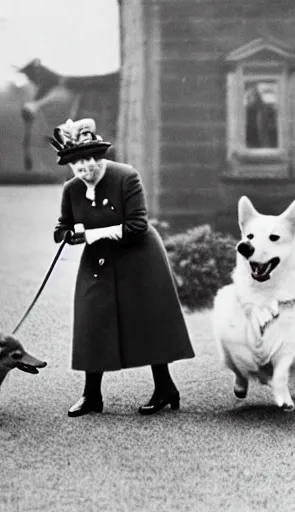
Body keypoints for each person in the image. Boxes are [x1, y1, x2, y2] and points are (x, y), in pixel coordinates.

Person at [49, 118, 195, 417]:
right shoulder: (71, 189)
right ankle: (92, 396)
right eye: (77, 162)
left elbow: (137, 226)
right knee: (92, 319)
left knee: (146, 322)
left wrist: (89, 235)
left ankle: (165, 388)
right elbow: (62, 226)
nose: (85, 167)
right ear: (70, 165)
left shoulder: (126, 177)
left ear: (100, 156)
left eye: (90, 158)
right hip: (98, 262)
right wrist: (64, 235)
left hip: (139, 257)